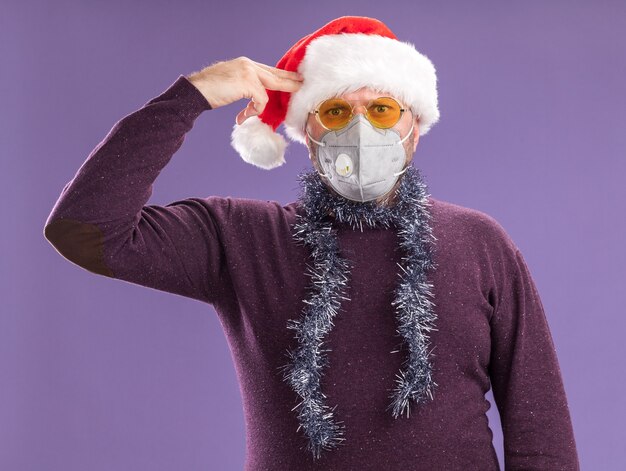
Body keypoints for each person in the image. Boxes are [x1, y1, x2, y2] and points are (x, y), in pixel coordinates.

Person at [43, 15, 580, 471]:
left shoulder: (480, 241)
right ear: (309, 133)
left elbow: (539, 421)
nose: (362, 129)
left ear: (414, 127)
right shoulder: (239, 236)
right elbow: (86, 228)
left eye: (383, 109)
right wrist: (193, 95)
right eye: (338, 111)